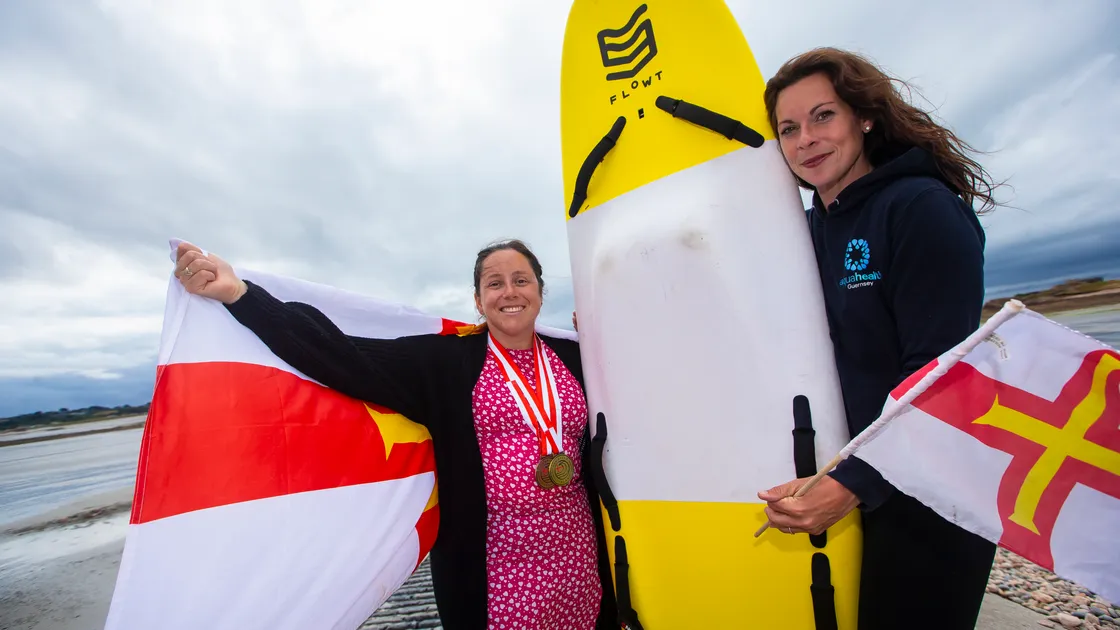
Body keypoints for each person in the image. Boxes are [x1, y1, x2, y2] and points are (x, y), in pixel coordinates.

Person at [172, 238, 617, 630]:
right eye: (494, 283)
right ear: (479, 302)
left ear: (540, 292)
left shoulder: (574, 355)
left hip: (578, 558)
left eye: (521, 280)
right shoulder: (446, 362)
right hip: (494, 572)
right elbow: (339, 352)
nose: (509, 292)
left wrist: (608, 335)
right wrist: (241, 296)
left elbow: (639, 400)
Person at [755, 47, 1000, 629]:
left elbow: (942, 374)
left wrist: (851, 485)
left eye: (823, 116)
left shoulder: (921, 209)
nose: (805, 139)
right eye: (788, 129)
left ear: (863, 117)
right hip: (860, 480)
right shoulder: (807, 229)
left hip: (936, 500)